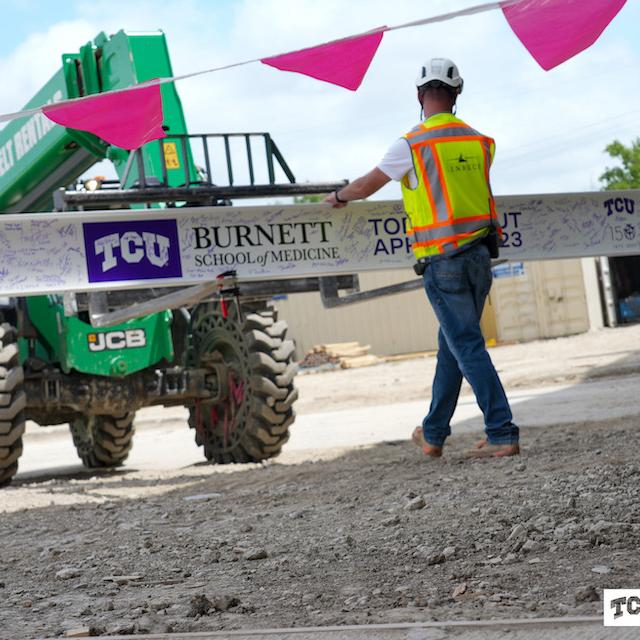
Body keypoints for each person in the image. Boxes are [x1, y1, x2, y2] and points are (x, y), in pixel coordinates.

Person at [324, 57, 519, 459]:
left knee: (465, 344)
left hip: (443, 262)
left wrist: (339, 197)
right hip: (481, 256)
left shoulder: (412, 144)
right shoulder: (480, 142)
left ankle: (501, 432)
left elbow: (365, 185)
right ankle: (433, 435)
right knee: (453, 344)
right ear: (456, 95)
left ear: (419, 95)